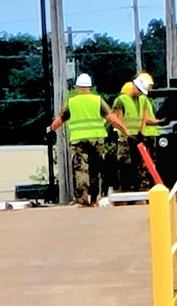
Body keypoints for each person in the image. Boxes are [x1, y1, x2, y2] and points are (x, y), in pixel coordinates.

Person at [48, 73, 128, 206]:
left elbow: (59, 120)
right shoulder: (98, 100)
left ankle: (83, 199)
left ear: (77, 87)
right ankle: (94, 199)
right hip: (96, 140)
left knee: (81, 169)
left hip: (78, 140)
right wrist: (124, 129)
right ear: (90, 87)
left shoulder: (71, 103)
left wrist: (51, 129)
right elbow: (111, 118)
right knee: (96, 169)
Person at [111, 76, 151, 191]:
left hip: (137, 136)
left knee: (137, 164)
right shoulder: (121, 100)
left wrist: (141, 133)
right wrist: (126, 133)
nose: (139, 93)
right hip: (124, 136)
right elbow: (118, 119)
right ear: (134, 86)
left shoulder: (142, 100)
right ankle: (125, 188)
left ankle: (136, 187)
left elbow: (144, 117)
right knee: (124, 163)